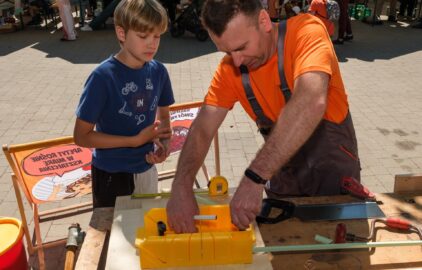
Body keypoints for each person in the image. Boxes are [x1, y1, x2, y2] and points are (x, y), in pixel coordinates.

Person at [166, 0, 360, 232]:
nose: (235, 60)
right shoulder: (230, 69)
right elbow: (203, 127)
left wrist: (253, 179)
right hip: (284, 182)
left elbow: (311, 101)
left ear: (264, 21)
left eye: (240, 47)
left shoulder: (306, 32)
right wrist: (181, 185)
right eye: (227, 52)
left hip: (334, 183)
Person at [74, 0, 174, 207]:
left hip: (147, 170)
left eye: (157, 36)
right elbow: (81, 136)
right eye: (143, 35)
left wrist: (163, 147)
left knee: (145, 231)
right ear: (121, 33)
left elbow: (164, 118)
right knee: (114, 236)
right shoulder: (102, 77)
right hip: (111, 174)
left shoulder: (159, 72)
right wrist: (134, 141)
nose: (152, 44)